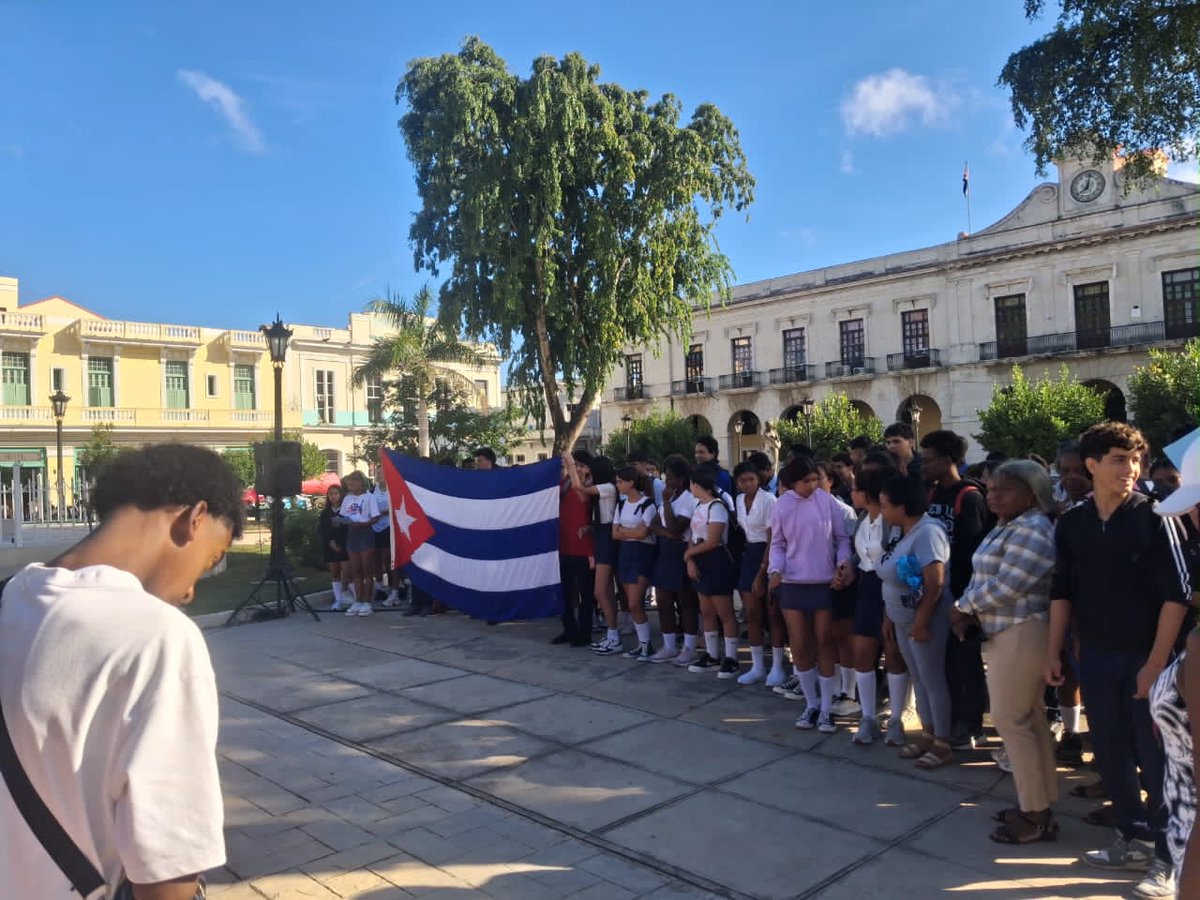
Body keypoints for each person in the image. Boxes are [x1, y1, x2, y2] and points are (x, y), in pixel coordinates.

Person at [0, 443, 241, 899]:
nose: (190, 591)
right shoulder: (157, 636)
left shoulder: (9, 600)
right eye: (209, 561)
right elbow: (168, 868)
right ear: (194, 519)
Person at [1046, 422, 1191, 893]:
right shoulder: (1072, 523)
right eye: (1119, 460)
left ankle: (1170, 860)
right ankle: (1132, 837)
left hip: (1149, 660)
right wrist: (1055, 652)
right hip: (1096, 657)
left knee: (1157, 759)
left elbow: (1177, 597)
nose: (1131, 469)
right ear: (1092, 465)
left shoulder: (1156, 518)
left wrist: (1154, 665)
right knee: (1109, 752)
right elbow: (1062, 592)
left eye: (1135, 460)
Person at [955, 461, 1059, 843]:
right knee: (1027, 720)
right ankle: (1037, 803)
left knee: (1011, 721)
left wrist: (962, 607)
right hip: (1004, 630)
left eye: (1005, 490)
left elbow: (1009, 585)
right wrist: (967, 605)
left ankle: (1035, 814)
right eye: (991, 488)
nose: (993, 495)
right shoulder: (1008, 524)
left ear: (1031, 493)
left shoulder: (1034, 529)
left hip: (1022, 630)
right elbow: (985, 577)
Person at [766, 456, 852, 733]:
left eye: (815, 479)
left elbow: (842, 539)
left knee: (824, 642)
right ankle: (812, 704)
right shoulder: (782, 505)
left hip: (824, 583)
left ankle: (827, 707)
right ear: (792, 482)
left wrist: (842, 564)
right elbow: (777, 543)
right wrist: (775, 570)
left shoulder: (827, 502)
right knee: (800, 644)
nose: (812, 485)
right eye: (806, 481)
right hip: (792, 583)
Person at [921, 429, 992, 750]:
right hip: (939, 592)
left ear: (949, 459)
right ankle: (950, 720)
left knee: (967, 662)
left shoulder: (970, 496)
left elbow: (974, 553)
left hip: (964, 594)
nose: (925, 465)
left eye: (930, 459)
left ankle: (972, 724)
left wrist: (967, 604)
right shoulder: (933, 495)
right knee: (946, 662)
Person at [878, 474, 954, 769]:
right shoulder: (903, 532)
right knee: (919, 680)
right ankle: (928, 733)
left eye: (885, 506)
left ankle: (943, 743)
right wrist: (889, 615)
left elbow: (933, 584)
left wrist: (921, 622)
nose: (882, 512)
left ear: (902, 505)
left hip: (924, 621)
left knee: (933, 680)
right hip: (902, 619)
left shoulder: (927, 533)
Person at [848, 466, 908, 746]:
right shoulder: (862, 518)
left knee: (893, 652)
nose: (851, 493)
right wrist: (848, 567)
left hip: (891, 588)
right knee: (863, 653)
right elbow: (859, 555)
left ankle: (896, 718)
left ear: (866, 493)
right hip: (867, 587)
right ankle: (868, 717)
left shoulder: (890, 522)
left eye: (855, 488)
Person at [684, 467, 741, 677]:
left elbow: (713, 540)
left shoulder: (717, 507)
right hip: (700, 558)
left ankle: (731, 657)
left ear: (697, 485)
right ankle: (712, 654)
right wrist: (691, 557)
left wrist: (689, 555)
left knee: (724, 612)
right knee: (706, 610)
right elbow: (692, 534)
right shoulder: (699, 505)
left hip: (716, 559)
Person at [816, 461, 862, 717]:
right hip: (818, 581)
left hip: (841, 580)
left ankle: (849, 693)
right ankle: (832, 688)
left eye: (818, 478)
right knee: (826, 637)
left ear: (830, 481)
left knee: (844, 637)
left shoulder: (844, 511)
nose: (813, 484)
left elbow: (851, 547)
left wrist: (841, 571)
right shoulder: (808, 510)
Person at [565, 454, 622, 654]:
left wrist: (570, 463)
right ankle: (612, 634)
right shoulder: (604, 488)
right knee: (605, 591)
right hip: (601, 534)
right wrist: (589, 528)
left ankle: (614, 635)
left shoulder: (607, 487)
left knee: (600, 591)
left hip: (607, 539)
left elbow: (579, 488)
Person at [647, 456, 701, 665]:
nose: (667, 482)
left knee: (686, 602)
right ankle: (669, 645)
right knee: (663, 600)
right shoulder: (670, 497)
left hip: (682, 553)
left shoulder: (687, 498)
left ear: (681, 479)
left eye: (671, 478)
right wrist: (668, 533)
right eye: (665, 477)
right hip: (666, 550)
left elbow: (676, 527)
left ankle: (689, 647)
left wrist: (668, 503)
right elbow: (654, 524)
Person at [733, 461, 777, 684]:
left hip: (767, 553)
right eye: (743, 481)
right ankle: (757, 666)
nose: (747, 484)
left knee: (772, 612)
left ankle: (778, 666)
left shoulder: (769, 500)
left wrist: (763, 570)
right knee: (752, 613)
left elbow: (772, 537)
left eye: (751, 479)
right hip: (750, 552)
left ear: (758, 479)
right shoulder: (739, 500)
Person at [613, 466, 659, 660]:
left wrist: (626, 532)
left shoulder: (647, 504)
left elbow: (644, 533)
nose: (617, 485)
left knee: (635, 602)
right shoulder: (622, 504)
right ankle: (642, 645)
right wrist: (630, 533)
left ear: (630, 482)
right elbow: (614, 533)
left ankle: (647, 644)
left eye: (620, 481)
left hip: (642, 554)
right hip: (626, 553)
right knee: (630, 603)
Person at [555, 451, 595, 647]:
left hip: (584, 550)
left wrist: (570, 462)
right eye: (575, 464)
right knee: (565, 593)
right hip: (564, 547)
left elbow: (582, 496)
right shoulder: (565, 484)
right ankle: (569, 630)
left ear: (588, 468)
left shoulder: (589, 488)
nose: (577, 468)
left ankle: (584, 632)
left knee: (585, 595)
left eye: (582, 465)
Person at [339, 471, 381, 617]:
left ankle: (367, 602)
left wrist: (363, 524)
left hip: (365, 534)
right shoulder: (347, 499)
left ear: (360, 483)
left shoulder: (369, 497)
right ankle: (358, 600)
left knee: (366, 570)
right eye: (348, 483)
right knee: (355, 571)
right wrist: (340, 522)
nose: (350, 486)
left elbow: (375, 517)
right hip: (352, 535)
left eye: (352, 483)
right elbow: (343, 516)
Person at [318, 483, 351, 610]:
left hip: (344, 545)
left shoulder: (345, 510)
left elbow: (348, 527)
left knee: (347, 572)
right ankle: (338, 600)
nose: (333, 496)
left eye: (336, 493)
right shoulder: (325, 513)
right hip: (330, 546)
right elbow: (323, 529)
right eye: (331, 494)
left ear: (341, 495)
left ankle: (346, 594)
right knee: (335, 573)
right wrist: (331, 542)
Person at [371, 474, 400, 607]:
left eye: (383, 472)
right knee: (376, 560)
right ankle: (379, 587)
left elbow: (399, 506)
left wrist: (386, 511)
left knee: (390, 561)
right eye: (378, 472)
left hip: (390, 528)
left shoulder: (394, 489)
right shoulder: (372, 491)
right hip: (375, 528)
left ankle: (395, 592)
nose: (381, 475)